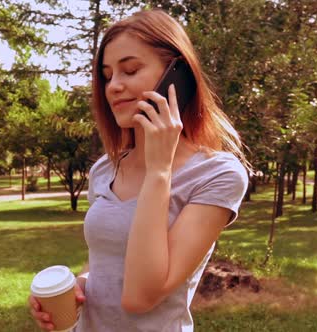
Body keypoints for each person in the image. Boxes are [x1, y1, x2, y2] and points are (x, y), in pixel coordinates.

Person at [29, 9, 249, 331]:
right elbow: (105, 261)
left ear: (178, 77)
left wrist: (159, 171)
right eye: (107, 76)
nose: (114, 86)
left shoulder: (218, 175)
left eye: (130, 70)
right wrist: (79, 284)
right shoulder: (106, 170)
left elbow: (141, 296)